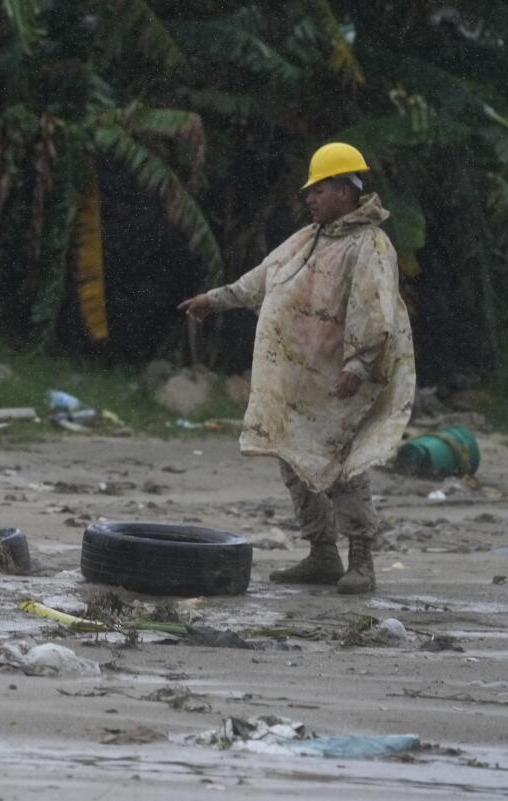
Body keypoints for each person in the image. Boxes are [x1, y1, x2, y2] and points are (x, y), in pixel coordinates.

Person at [177, 142, 415, 595]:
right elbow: (260, 280)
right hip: (296, 379)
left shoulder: (370, 245)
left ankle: (362, 559)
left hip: (341, 379)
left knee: (342, 466)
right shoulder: (309, 239)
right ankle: (322, 554)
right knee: (293, 462)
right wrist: (214, 299)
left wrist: (359, 365)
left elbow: (373, 310)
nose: (310, 199)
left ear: (345, 190)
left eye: (319, 190)